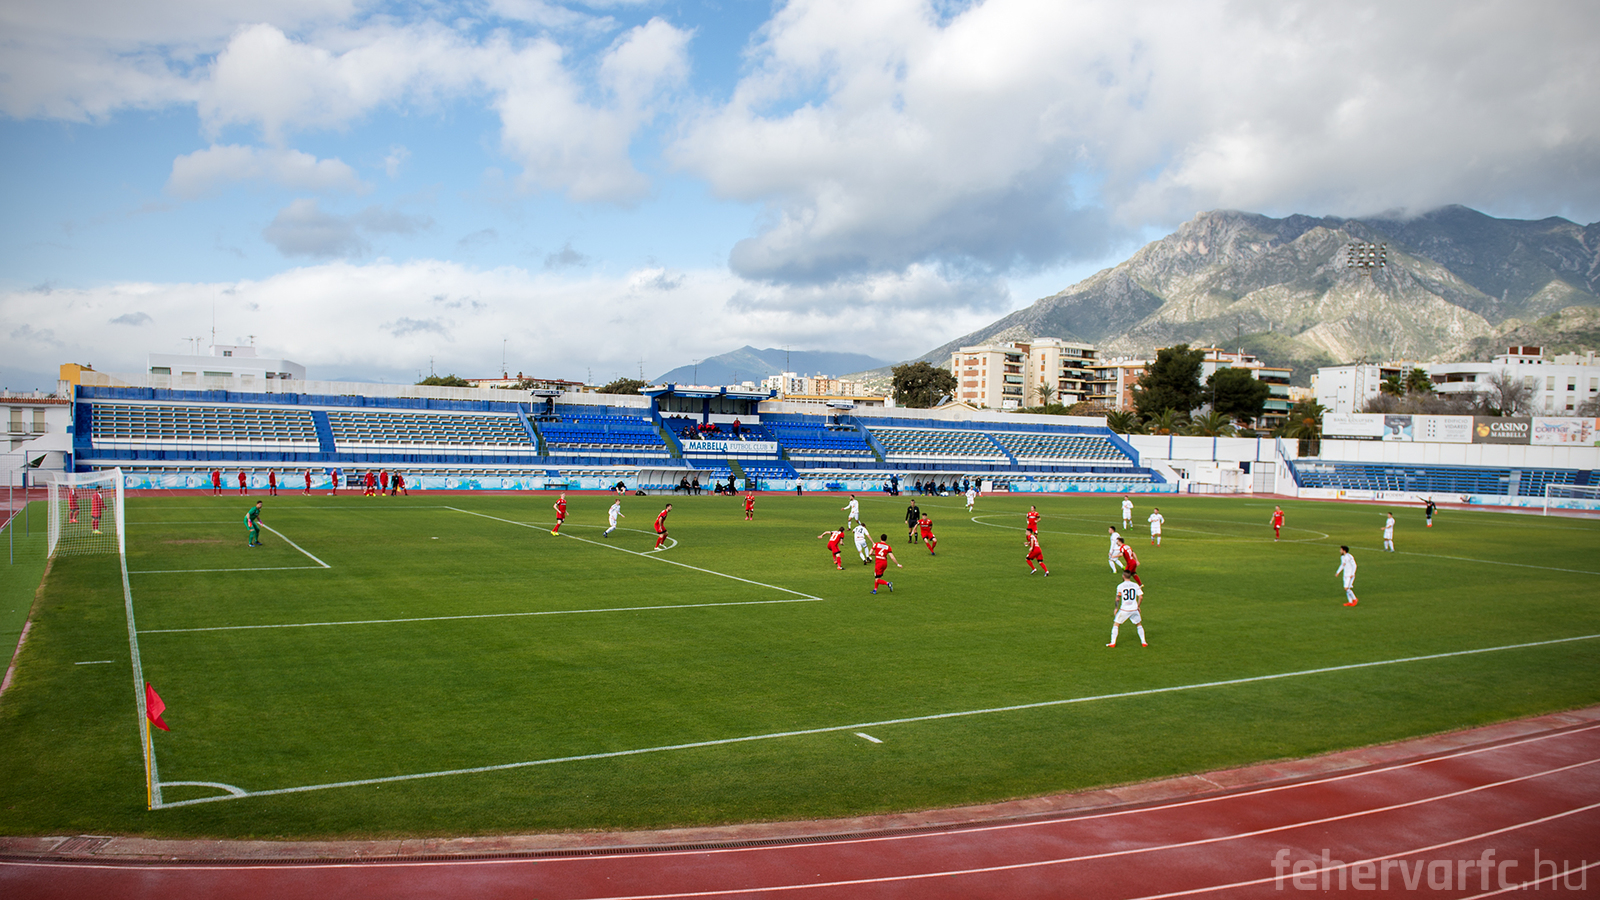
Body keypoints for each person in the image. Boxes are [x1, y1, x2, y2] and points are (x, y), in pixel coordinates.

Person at [1107, 571, 1147, 648]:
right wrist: (1138, 606)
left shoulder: (1120, 586)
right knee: (1138, 624)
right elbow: (1141, 597)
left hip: (1124, 609)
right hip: (1134, 609)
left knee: (1116, 624)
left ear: (1123, 576)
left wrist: (1116, 608)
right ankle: (1144, 642)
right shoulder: (1135, 585)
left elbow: (1117, 598)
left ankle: (1112, 643)